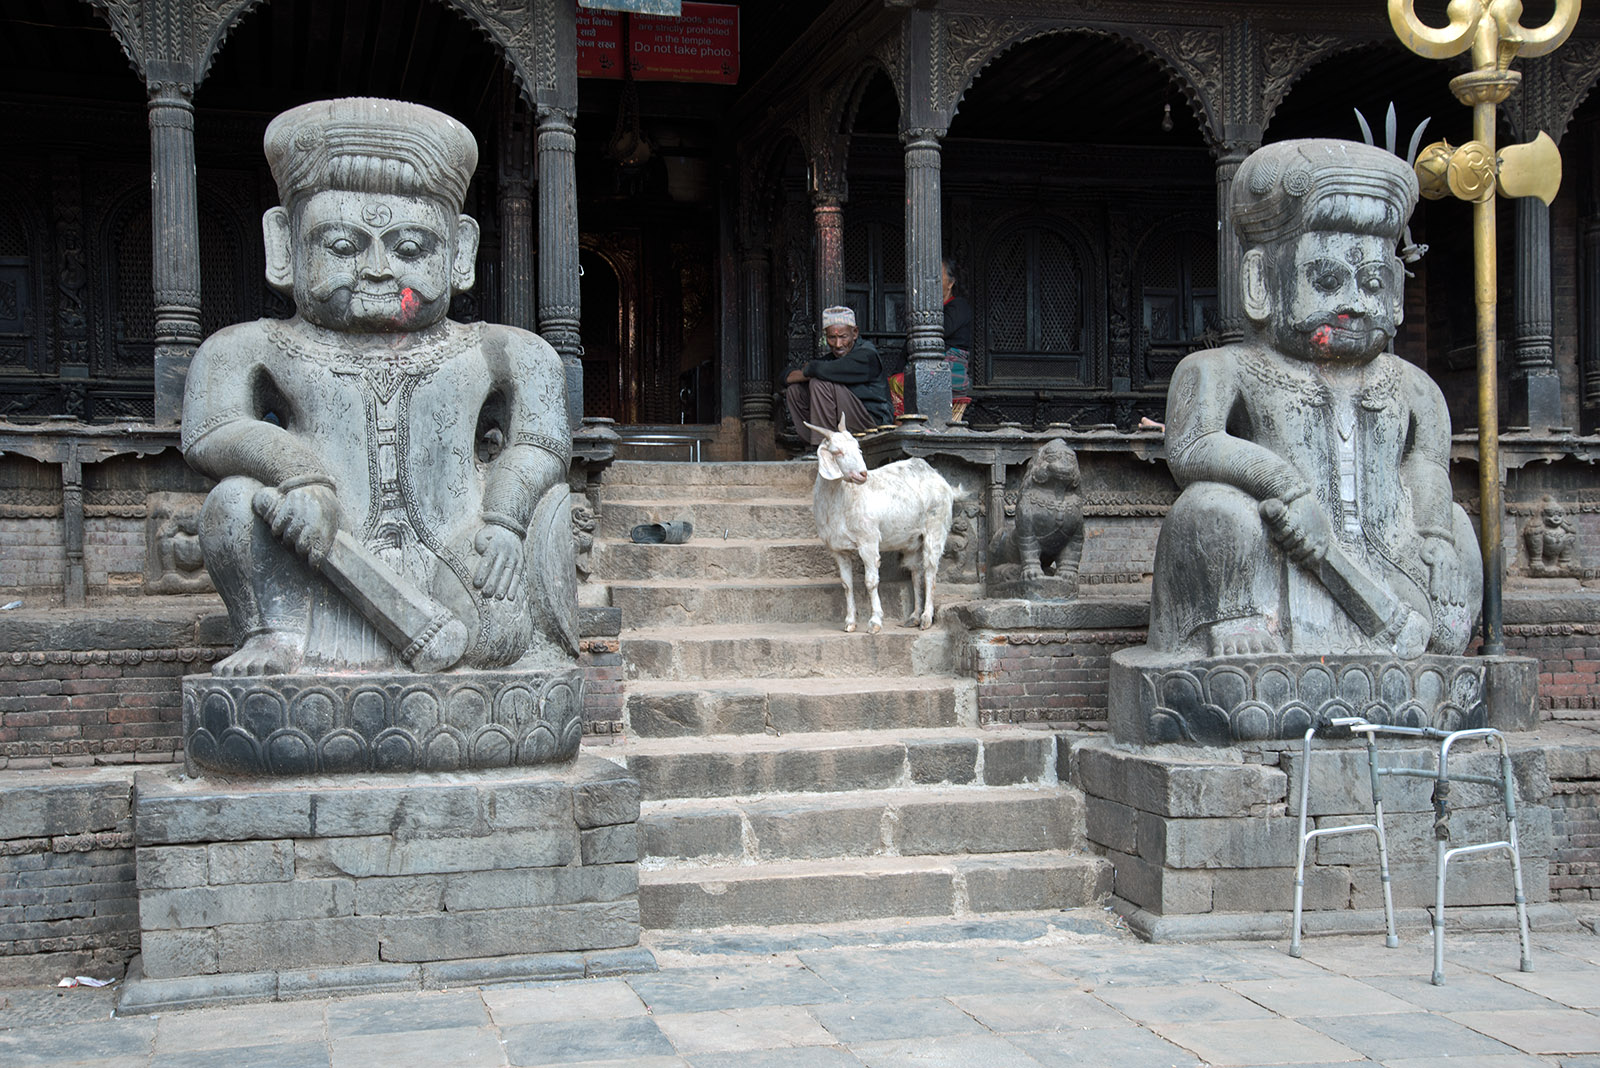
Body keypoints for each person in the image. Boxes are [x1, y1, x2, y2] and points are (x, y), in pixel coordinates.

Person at [182, 97, 574, 676]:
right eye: (343, 246)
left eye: (410, 248)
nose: (378, 269)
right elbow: (210, 430)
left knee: (500, 628)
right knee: (234, 503)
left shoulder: (507, 350)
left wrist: (504, 521)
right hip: (313, 558)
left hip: (454, 557)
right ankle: (274, 636)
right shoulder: (249, 347)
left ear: (460, 251)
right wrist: (300, 476)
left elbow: (542, 441)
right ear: (284, 244)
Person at [1147, 138, 1480, 660]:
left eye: (1372, 282)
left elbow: (1427, 466)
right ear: (1259, 281)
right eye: (1326, 280)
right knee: (1209, 508)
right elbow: (1192, 447)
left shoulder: (1414, 386)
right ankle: (1236, 619)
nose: (1354, 303)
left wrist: (1435, 537)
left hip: (1388, 550)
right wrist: (1285, 487)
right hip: (1275, 550)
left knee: (1458, 528)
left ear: (1395, 291)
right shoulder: (1221, 368)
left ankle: (1436, 635)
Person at [786, 305, 891, 447]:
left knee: (819, 383)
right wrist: (811, 372)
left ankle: (824, 445)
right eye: (832, 337)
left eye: (843, 337)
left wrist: (812, 370)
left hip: (871, 421)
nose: (838, 344)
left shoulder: (867, 354)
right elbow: (786, 377)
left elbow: (821, 369)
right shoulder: (831, 359)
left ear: (855, 333)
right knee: (795, 391)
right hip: (847, 418)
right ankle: (814, 444)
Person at [890, 257, 972, 418]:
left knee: (900, 382)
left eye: (937, 276)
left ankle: (905, 428)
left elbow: (941, 332)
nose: (930, 282)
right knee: (892, 381)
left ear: (951, 283)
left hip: (947, 372)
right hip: (926, 369)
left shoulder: (959, 306)